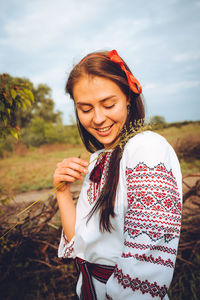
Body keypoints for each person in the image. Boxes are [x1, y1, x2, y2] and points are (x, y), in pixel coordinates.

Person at [53, 50, 182, 300]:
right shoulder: (97, 159)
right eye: (86, 108)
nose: (98, 118)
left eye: (108, 104)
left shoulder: (147, 148)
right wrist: (61, 192)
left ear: (128, 99)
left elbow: (147, 264)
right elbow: (82, 244)